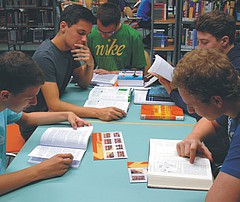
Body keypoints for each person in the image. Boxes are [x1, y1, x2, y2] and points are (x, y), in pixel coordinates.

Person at [21, 5, 126, 141]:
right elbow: (54, 105)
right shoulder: (45, 57)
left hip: (56, 117)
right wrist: (98, 112)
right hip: (37, 125)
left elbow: (82, 83)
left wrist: (90, 64)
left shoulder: (70, 48)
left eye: (87, 35)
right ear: (63, 26)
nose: (84, 40)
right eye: (81, 33)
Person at [158, 11, 240, 172]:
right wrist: (194, 136)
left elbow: (205, 110)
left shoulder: (233, 69)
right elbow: (216, 119)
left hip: (223, 151)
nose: (199, 48)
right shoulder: (228, 106)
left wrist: (174, 93)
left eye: (204, 42)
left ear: (224, 41)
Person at [0, 51, 91, 195]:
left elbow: (28, 119)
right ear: (5, 95)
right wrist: (40, 170)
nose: (34, 102)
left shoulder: (4, 106)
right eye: (29, 97)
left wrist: (66, 114)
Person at [172, 48, 240, 202]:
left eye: (192, 106)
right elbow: (213, 122)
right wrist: (194, 136)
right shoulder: (232, 99)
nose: (189, 110)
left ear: (217, 101)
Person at [88, 2, 146, 74]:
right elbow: (90, 66)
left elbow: (139, 71)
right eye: (100, 30)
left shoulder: (133, 36)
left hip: (125, 81)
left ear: (118, 23)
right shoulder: (91, 34)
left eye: (109, 33)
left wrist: (111, 73)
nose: (103, 36)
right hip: (101, 80)